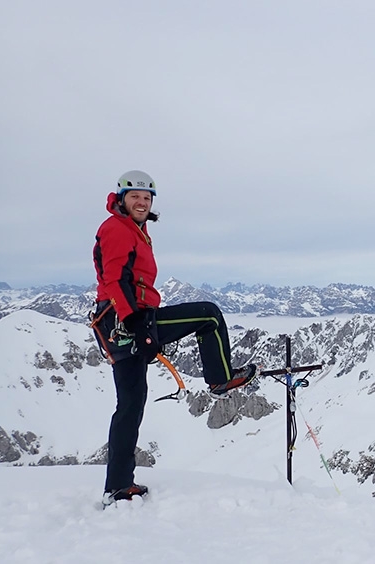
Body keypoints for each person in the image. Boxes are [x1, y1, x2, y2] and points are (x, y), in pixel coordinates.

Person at [90, 170, 257, 506]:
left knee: (130, 406)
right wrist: (140, 326)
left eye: (147, 197)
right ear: (121, 198)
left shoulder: (133, 230)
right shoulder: (117, 229)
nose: (141, 201)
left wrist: (139, 328)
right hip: (129, 319)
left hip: (116, 325)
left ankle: (119, 485)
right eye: (135, 196)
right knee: (208, 315)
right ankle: (221, 378)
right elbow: (116, 279)